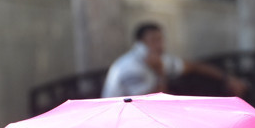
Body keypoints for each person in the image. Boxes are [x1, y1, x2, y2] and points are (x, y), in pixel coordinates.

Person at [102, 21, 245, 99]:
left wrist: (228, 78)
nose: (159, 45)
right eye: (153, 40)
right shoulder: (130, 68)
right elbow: (154, 104)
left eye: (160, 40)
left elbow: (194, 66)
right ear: (140, 46)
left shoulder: (160, 60)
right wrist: (159, 73)